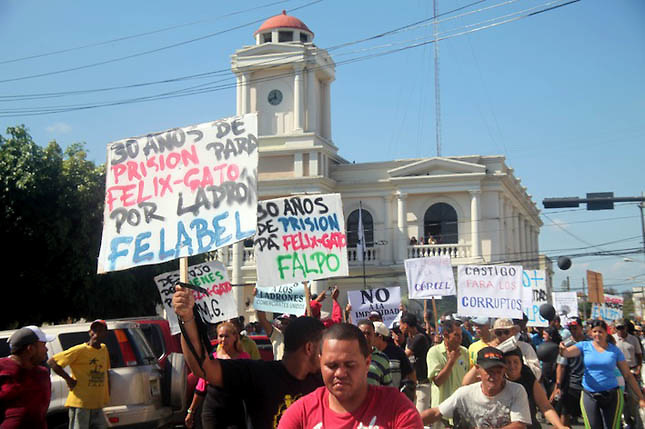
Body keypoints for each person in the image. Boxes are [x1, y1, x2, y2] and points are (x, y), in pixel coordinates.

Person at [173, 285, 324, 429]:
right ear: (309, 348)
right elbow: (203, 368)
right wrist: (187, 318)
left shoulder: (328, 382)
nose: (328, 355)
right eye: (323, 347)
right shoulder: (259, 374)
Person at [277, 323, 423, 428]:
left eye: (350, 365)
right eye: (332, 366)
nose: (340, 373)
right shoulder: (301, 414)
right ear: (320, 362)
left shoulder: (397, 408)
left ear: (367, 363)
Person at [559, 319, 645, 429]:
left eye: (600, 332)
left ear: (606, 333)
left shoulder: (614, 350)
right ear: (590, 332)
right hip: (589, 393)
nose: (597, 334)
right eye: (594, 331)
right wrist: (562, 350)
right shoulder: (584, 346)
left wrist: (641, 397)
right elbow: (566, 353)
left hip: (612, 394)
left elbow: (627, 375)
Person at [422, 347, 532, 428]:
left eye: (498, 372)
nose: (494, 376)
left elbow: (519, 425)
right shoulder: (464, 394)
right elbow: (436, 413)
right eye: (489, 371)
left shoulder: (516, 391)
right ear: (478, 369)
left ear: (504, 371)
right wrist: (409, 421)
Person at [185, 322, 251, 429]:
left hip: (235, 413)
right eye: (220, 336)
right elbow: (201, 388)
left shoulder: (244, 358)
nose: (223, 339)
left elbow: (251, 386)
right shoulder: (212, 359)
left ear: (235, 337)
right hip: (212, 411)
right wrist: (191, 411)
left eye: (227, 336)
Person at [48, 319, 110, 429]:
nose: (97, 333)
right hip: (81, 404)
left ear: (106, 334)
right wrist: (68, 379)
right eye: (94, 330)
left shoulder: (104, 349)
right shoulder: (80, 350)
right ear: (89, 333)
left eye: (101, 331)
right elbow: (52, 362)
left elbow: (106, 371)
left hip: (97, 403)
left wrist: (106, 394)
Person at [0, 326, 54, 428]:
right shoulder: (2, 368)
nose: (46, 349)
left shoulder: (43, 373)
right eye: (43, 345)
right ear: (31, 349)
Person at [502, 347, 569, 429]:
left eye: (515, 362)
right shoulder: (498, 381)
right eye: (508, 362)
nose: (512, 366)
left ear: (521, 363)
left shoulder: (528, 378)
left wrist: (560, 426)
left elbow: (545, 406)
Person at [426, 319, 470, 428]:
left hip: (460, 410)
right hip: (441, 412)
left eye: (461, 335)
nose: (460, 339)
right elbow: (437, 381)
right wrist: (451, 362)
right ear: (446, 335)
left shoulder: (464, 352)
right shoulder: (434, 352)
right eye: (456, 335)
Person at [550, 317, 589, 426]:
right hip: (572, 385)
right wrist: (558, 386)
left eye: (575, 328)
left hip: (589, 385)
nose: (573, 330)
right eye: (570, 328)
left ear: (581, 327)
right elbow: (561, 366)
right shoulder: (566, 344)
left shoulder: (590, 343)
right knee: (564, 416)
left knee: (589, 416)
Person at [612, 318, 643, 429]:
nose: (620, 330)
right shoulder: (613, 340)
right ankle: (625, 422)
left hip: (632, 371)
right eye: (618, 328)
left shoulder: (633, 339)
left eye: (622, 327)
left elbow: (639, 355)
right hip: (618, 372)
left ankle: (638, 424)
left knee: (634, 398)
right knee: (621, 398)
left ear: (626, 328)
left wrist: (638, 368)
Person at [400, 313, 431, 413]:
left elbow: (405, 355)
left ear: (406, 325)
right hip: (412, 385)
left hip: (422, 384)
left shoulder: (419, 338)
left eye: (401, 325)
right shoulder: (409, 339)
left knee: (420, 416)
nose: (400, 328)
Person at [372, 321, 415, 389]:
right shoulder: (368, 353)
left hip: (396, 396)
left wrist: (412, 391)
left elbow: (410, 373)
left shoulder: (397, 352)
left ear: (380, 337)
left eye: (371, 335)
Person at [357, 319, 392, 386]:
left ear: (373, 335)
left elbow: (388, 387)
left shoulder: (383, 359)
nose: (366, 337)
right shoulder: (349, 356)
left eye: (368, 333)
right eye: (363, 333)